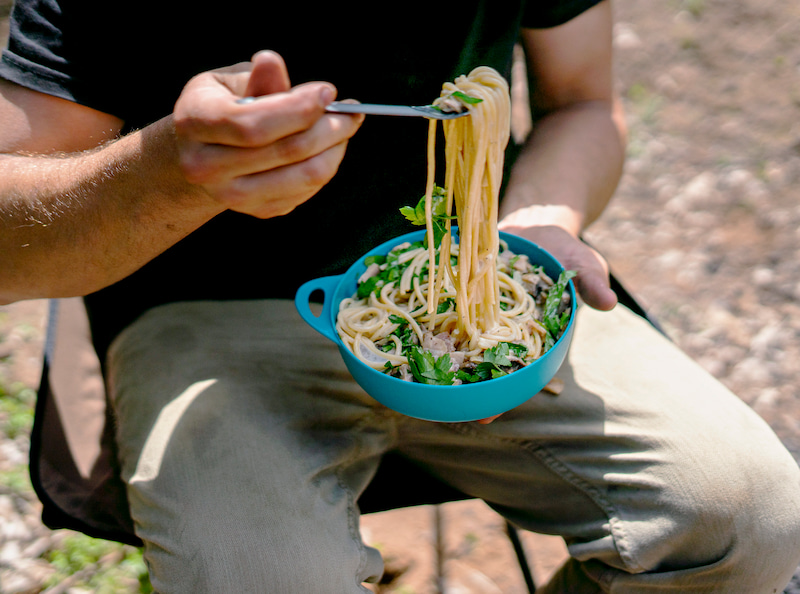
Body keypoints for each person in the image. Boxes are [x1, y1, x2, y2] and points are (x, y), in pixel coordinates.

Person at [1, 0, 799, 591]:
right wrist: (169, 172)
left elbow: (585, 103)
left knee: (752, 516)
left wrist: (537, 224)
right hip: (202, 309)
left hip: (482, 274)